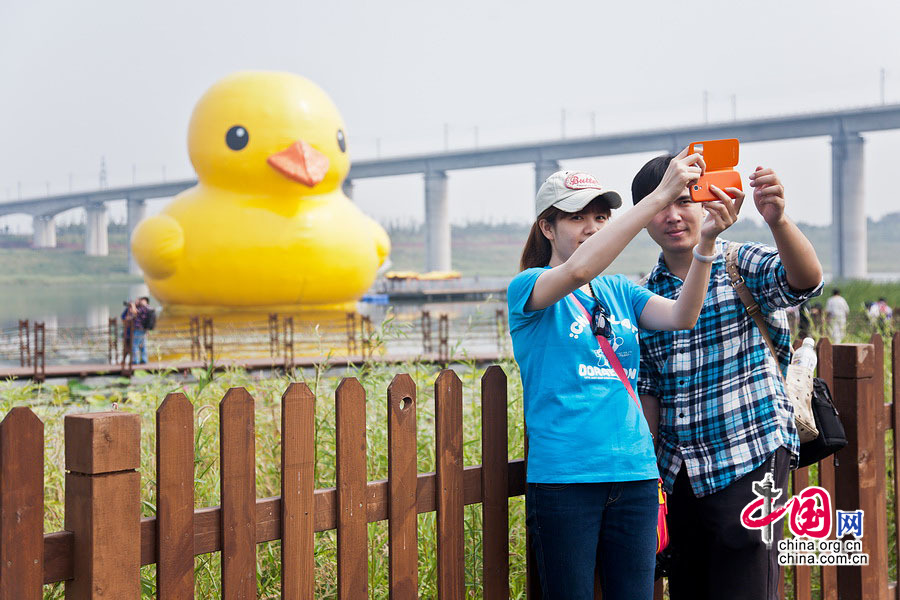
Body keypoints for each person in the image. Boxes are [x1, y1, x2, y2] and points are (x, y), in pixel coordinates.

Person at [508, 148, 739, 600]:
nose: (592, 227)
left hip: (635, 475)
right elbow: (580, 269)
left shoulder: (619, 291)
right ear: (547, 227)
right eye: (577, 218)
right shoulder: (529, 288)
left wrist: (706, 245)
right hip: (565, 480)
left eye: (600, 216)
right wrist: (659, 197)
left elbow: (682, 316)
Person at [631, 158, 824, 600]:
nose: (672, 215)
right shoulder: (645, 294)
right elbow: (651, 391)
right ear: (643, 218)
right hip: (680, 471)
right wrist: (649, 472)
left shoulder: (740, 262)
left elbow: (805, 281)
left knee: (747, 588)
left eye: (684, 200)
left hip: (750, 450)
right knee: (691, 587)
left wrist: (777, 220)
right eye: (658, 203)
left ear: (704, 201)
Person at [121, 299, 149, 364]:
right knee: (142, 346)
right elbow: (124, 317)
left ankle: (135, 361)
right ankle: (144, 360)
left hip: (138, 330)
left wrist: (133, 306)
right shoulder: (145, 308)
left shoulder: (141, 308)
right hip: (142, 330)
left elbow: (134, 312)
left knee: (135, 345)